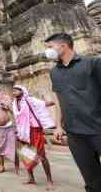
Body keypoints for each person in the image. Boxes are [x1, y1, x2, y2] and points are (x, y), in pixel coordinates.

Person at [45, 33, 101, 192]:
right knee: (91, 180)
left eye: (50, 47)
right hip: (75, 135)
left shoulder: (93, 64)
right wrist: (58, 126)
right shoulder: (54, 72)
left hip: (98, 128)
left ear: (63, 46)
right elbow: (58, 101)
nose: (47, 51)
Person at [11, 85, 55, 190]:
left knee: (41, 155)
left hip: (34, 130)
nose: (14, 91)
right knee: (26, 155)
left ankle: (49, 180)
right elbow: (16, 117)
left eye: (16, 90)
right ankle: (31, 178)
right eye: (13, 90)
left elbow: (43, 104)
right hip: (23, 132)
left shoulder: (29, 100)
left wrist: (55, 102)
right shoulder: (14, 103)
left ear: (22, 91)